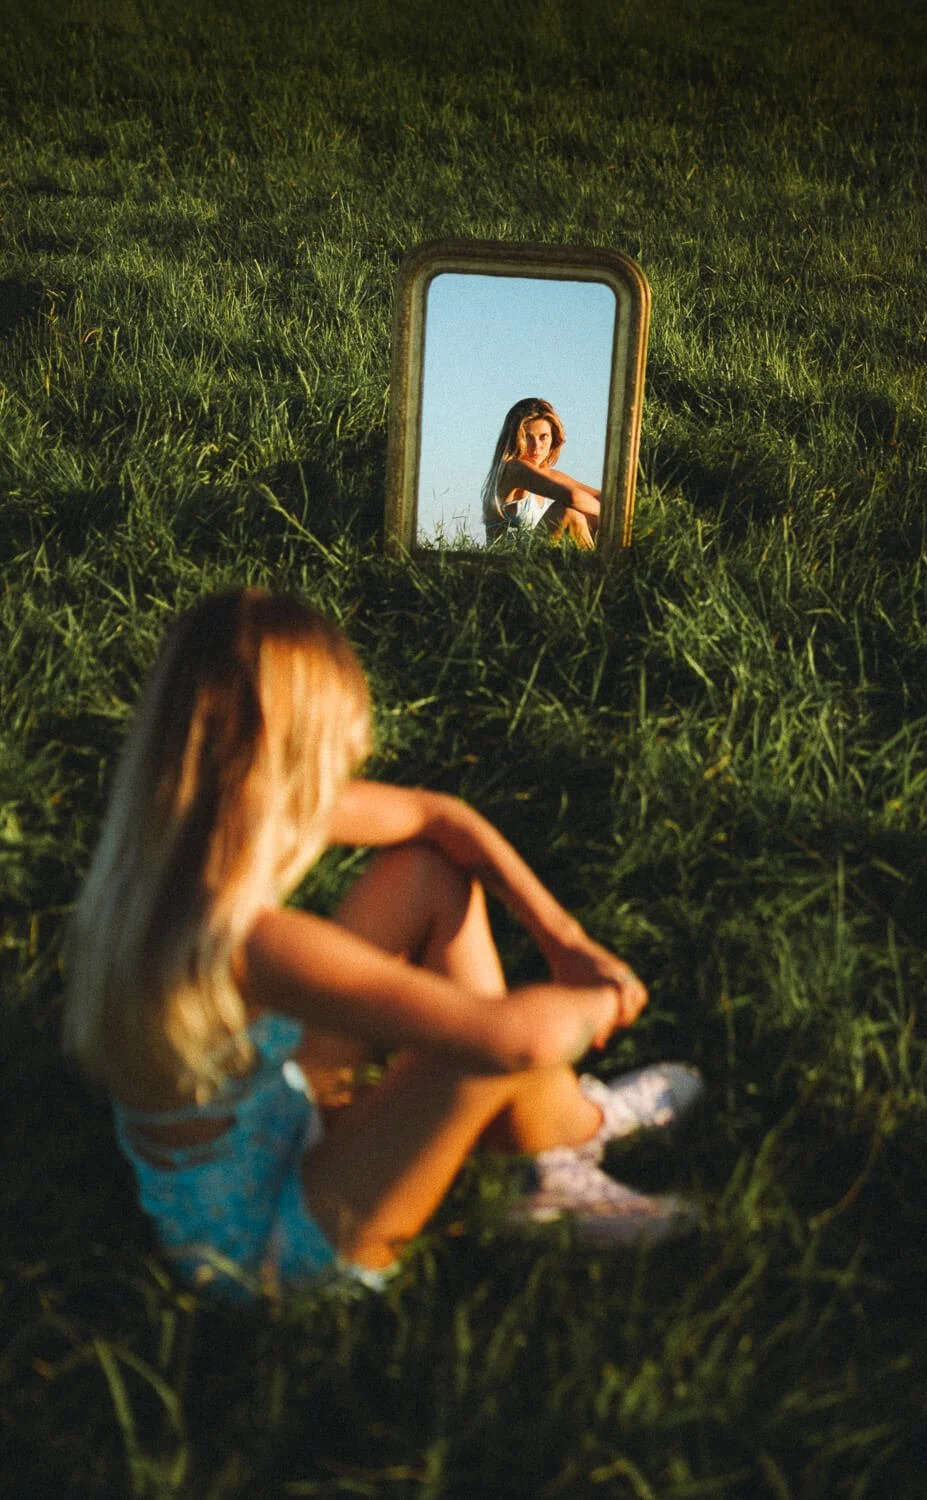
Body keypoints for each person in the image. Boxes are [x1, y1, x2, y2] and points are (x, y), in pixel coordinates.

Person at [63, 591, 702, 1302]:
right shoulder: (248, 942)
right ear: (292, 759)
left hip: (270, 1119)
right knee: (483, 1047)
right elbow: (513, 1040)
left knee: (425, 878)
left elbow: (437, 819)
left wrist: (566, 939)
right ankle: (561, 1145)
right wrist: (602, 997)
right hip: (267, 1250)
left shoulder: (174, 842)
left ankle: (543, 1154)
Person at [482, 397, 602, 549]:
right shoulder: (513, 469)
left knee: (588, 514)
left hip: (532, 561)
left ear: (553, 439)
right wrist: (614, 516)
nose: (536, 446)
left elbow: (599, 496)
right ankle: (600, 570)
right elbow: (574, 497)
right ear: (514, 439)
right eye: (528, 437)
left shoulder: (547, 474)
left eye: (543, 437)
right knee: (568, 514)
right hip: (505, 566)